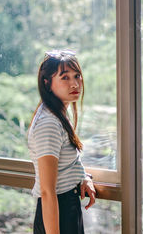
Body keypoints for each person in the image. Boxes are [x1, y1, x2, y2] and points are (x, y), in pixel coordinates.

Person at [28, 50, 96, 234]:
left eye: (77, 76)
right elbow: (48, 192)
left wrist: (83, 176)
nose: (75, 84)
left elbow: (64, 163)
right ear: (47, 83)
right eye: (65, 77)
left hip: (66, 206)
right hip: (58, 211)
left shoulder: (57, 114)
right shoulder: (49, 123)